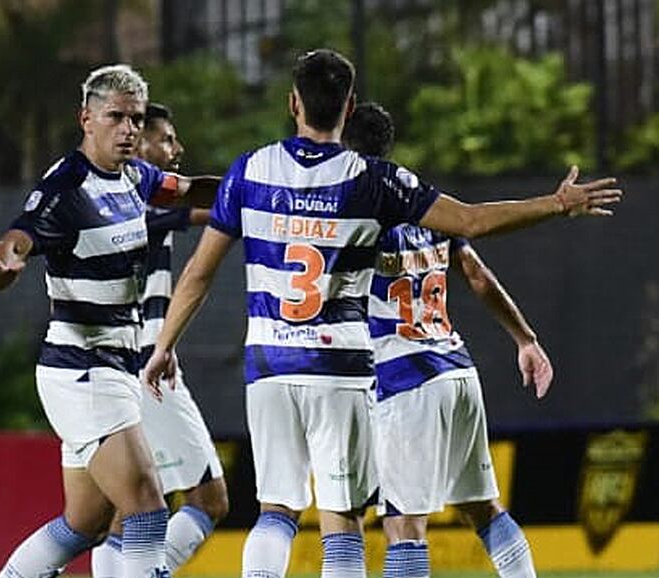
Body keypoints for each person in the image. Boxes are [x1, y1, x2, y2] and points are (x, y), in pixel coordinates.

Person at [143, 48, 620, 578]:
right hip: (384, 369)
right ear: (347, 107)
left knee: (285, 510)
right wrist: (554, 207)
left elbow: (199, 272)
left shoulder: (252, 170)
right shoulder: (381, 188)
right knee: (371, 517)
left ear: (292, 103)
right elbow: (472, 228)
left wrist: (164, 345)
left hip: (300, 366)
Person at [0, 64, 219, 578]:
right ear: (86, 118)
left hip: (115, 367)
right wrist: (7, 262)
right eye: (117, 117)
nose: (129, 129)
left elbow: (189, 189)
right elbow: (20, 234)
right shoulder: (67, 187)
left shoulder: (135, 176)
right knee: (148, 507)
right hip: (82, 370)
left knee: (83, 524)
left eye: (135, 118)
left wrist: (257, 189)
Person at [343, 101, 550, 578]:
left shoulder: (357, 205)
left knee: (404, 526)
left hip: (403, 379)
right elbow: (476, 275)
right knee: (484, 509)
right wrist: (525, 339)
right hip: (456, 369)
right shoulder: (423, 201)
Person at [91, 103, 227, 576]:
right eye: (167, 139)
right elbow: (212, 210)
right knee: (210, 500)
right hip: (145, 363)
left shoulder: (101, 195)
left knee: (124, 512)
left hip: (112, 363)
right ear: (139, 143)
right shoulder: (137, 199)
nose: (178, 149)